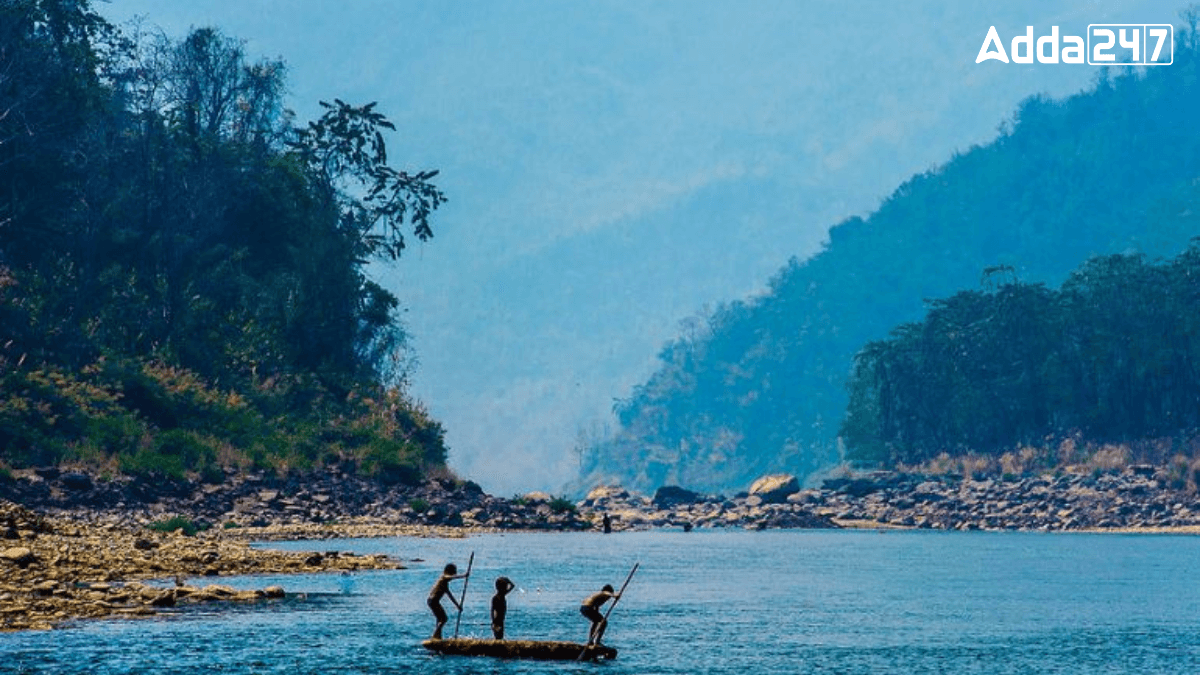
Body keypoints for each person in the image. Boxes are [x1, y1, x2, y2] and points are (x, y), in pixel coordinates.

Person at [427, 562, 468, 639]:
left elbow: (450, 596)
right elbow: (448, 577)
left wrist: (458, 606)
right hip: (433, 601)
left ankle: (438, 637)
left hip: (432, 601)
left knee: (439, 619)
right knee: (444, 619)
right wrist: (463, 576)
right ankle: (434, 636)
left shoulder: (445, 584)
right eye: (453, 572)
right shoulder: (443, 577)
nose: (453, 575)